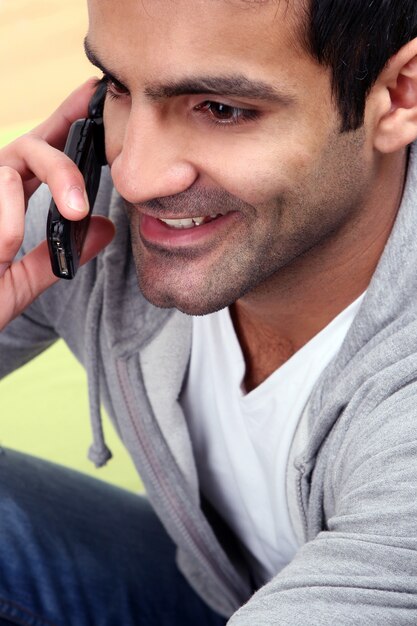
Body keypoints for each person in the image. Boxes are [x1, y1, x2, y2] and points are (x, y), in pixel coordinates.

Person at [1, 0, 417, 623]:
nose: (136, 176)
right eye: (117, 87)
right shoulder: (87, 220)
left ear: (398, 96)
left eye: (222, 109)